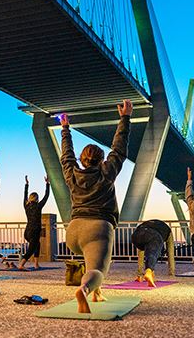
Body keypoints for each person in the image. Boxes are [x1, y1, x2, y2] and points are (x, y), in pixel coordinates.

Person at [60, 99, 132, 313]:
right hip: (97, 228)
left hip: (73, 231)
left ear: (82, 160)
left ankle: (98, 293)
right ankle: (84, 290)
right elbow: (119, 150)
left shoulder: (72, 173)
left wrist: (65, 129)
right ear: (102, 159)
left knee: (89, 258)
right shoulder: (106, 172)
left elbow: (66, 156)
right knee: (98, 270)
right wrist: (125, 118)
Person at [19, 175, 50, 270]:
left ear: (30, 198)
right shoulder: (38, 205)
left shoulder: (26, 205)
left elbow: (24, 195)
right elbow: (46, 196)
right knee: (31, 249)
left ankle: (36, 264)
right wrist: (47, 184)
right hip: (35, 231)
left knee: (37, 245)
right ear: (37, 199)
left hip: (27, 231)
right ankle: (21, 265)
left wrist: (26, 184)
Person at [132, 219, 175, 287]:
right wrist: (171, 273)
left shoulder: (151, 224)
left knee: (143, 250)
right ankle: (148, 272)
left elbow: (141, 253)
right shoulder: (168, 232)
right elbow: (170, 253)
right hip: (153, 234)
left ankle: (140, 276)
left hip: (136, 234)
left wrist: (139, 273)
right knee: (153, 253)